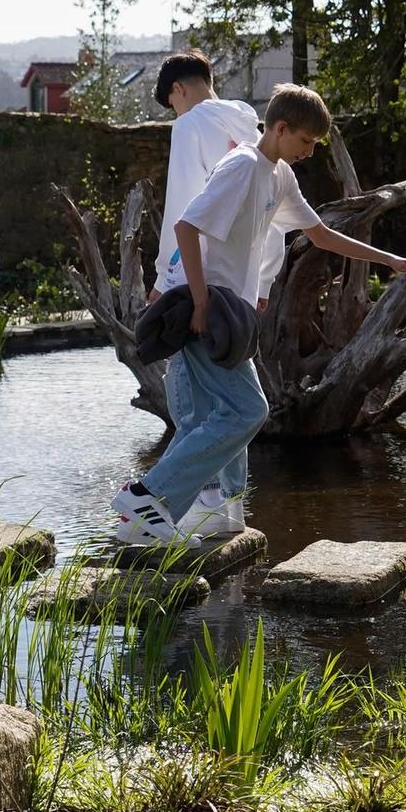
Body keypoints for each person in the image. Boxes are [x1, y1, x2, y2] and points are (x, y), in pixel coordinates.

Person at [111, 84, 406, 546]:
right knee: (249, 410)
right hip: (207, 310)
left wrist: (392, 261)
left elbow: (320, 234)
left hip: (230, 312)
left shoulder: (278, 174)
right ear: (280, 128)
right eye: (306, 142)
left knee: (222, 413)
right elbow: (185, 225)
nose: (310, 152)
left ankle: (207, 510)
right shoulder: (242, 165)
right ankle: (147, 496)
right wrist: (199, 302)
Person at [150, 50, 275, 536]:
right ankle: (231, 508)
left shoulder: (188, 126)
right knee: (231, 402)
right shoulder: (251, 126)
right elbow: (270, 214)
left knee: (189, 400)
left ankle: (191, 508)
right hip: (240, 283)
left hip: (196, 280)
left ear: (177, 90)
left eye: (172, 104)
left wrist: (165, 279)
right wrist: (262, 280)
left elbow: (182, 209)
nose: (175, 112)